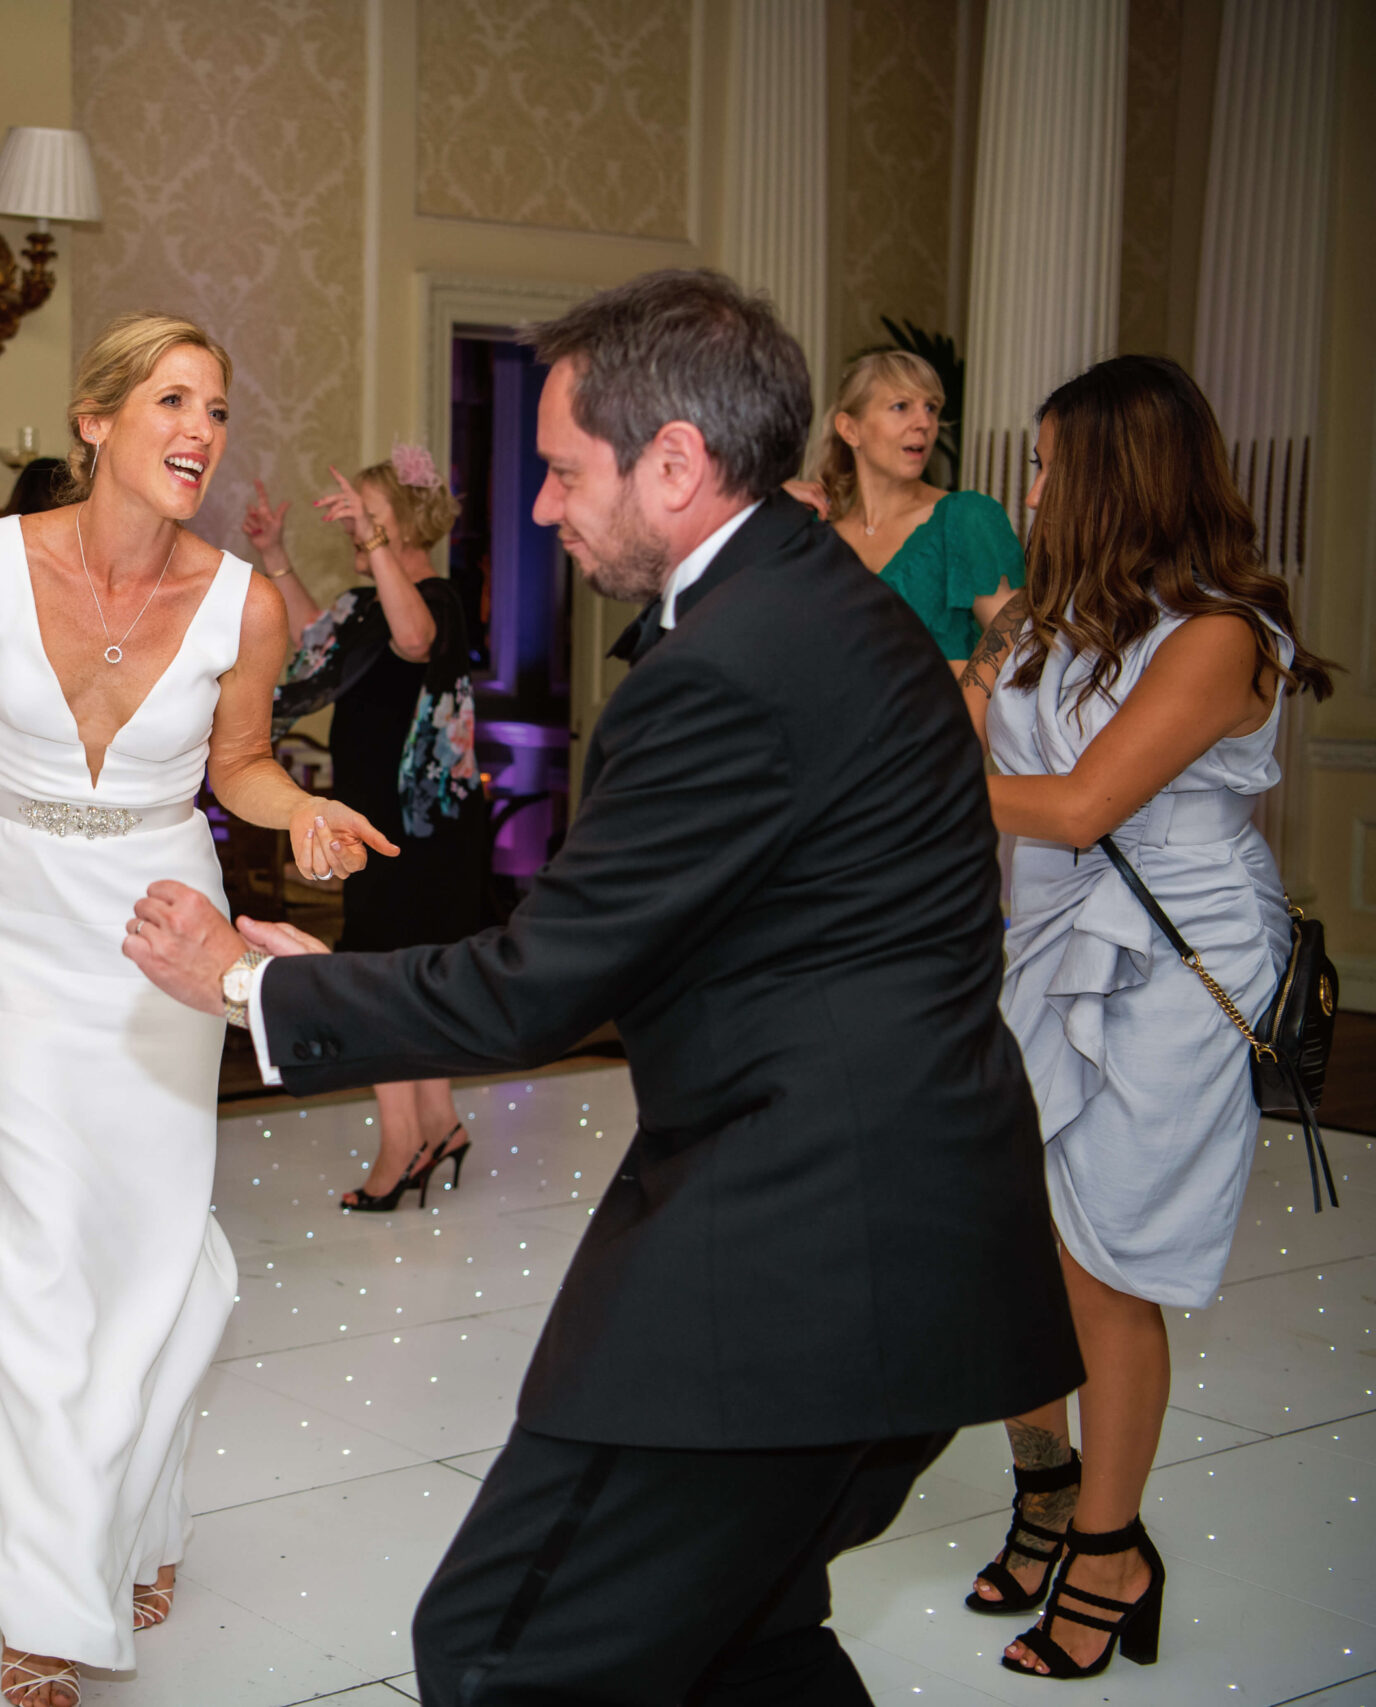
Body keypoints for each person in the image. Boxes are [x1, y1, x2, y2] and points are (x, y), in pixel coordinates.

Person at [123, 269, 1082, 1706]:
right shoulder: (832, 604)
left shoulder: (732, 665)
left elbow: (538, 980)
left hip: (802, 1258)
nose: (543, 510)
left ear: (678, 464)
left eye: (568, 472)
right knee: (742, 1645)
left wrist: (261, 979)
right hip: (928, 1250)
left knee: (505, 1647)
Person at [0, 312, 398, 1707]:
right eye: (173, 400)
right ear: (96, 418)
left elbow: (241, 765)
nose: (202, 429)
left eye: (218, 407)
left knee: (152, 1233)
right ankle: (46, 1591)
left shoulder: (244, 601)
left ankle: (143, 1508)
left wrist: (303, 809)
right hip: (15, 916)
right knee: (52, 1240)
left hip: (157, 928)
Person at [957, 355, 1332, 1680]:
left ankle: (1111, 1550)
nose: (1033, 487)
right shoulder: (1052, 622)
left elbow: (1073, 805)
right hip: (1046, 945)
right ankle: (1048, 1487)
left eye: (1052, 462)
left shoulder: (1221, 633)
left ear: (1118, 476)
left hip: (1175, 970)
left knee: (1107, 1268)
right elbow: (977, 709)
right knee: (1011, 1245)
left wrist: (914, 769)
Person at [243, 449, 490, 1210]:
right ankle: (440, 1121)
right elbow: (320, 638)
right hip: (372, 819)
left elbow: (413, 640)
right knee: (406, 973)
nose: (356, 519)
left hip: (422, 827)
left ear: (403, 520)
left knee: (387, 977)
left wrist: (378, 545)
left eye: (371, 510)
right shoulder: (368, 602)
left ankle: (401, 1144)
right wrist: (277, 559)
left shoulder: (438, 598)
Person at [809, 349, 1022, 665]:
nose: (924, 422)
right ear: (850, 429)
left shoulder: (966, 518)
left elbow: (1017, 656)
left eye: (931, 408)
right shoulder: (816, 536)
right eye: (900, 406)